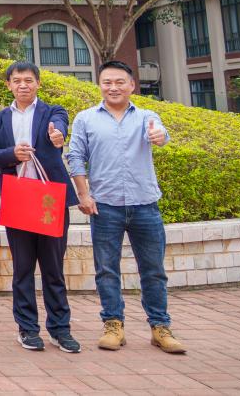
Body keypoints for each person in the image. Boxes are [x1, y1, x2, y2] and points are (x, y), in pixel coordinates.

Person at [67, 61, 185, 355]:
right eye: (107, 82)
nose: (113, 87)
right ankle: (113, 325)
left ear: (132, 85)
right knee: (106, 270)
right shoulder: (85, 119)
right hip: (105, 207)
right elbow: (76, 157)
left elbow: (161, 134)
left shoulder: (146, 117)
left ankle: (160, 327)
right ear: (100, 85)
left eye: (120, 82)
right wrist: (83, 194)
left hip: (145, 205)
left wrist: (160, 136)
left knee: (153, 270)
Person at [0, 60, 81, 353]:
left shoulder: (53, 112)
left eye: (28, 80)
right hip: (18, 199)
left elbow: (60, 128)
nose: (23, 85)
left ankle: (60, 329)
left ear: (38, 83)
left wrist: (57, 135)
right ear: (8, 85)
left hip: (50, 199)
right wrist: (13, 154)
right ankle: (27, 329)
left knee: (53, 269)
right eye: (17, 80)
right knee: (23, 269)